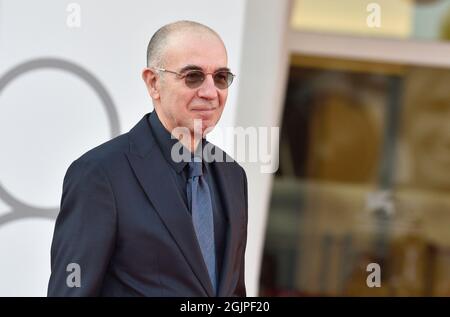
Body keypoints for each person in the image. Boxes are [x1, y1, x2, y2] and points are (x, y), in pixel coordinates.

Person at [47, 20, 248, 297]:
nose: (211, 92)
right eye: (193, 76)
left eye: (221, 78)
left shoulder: (232, 175)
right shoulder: (99, 174)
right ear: (154, 83)